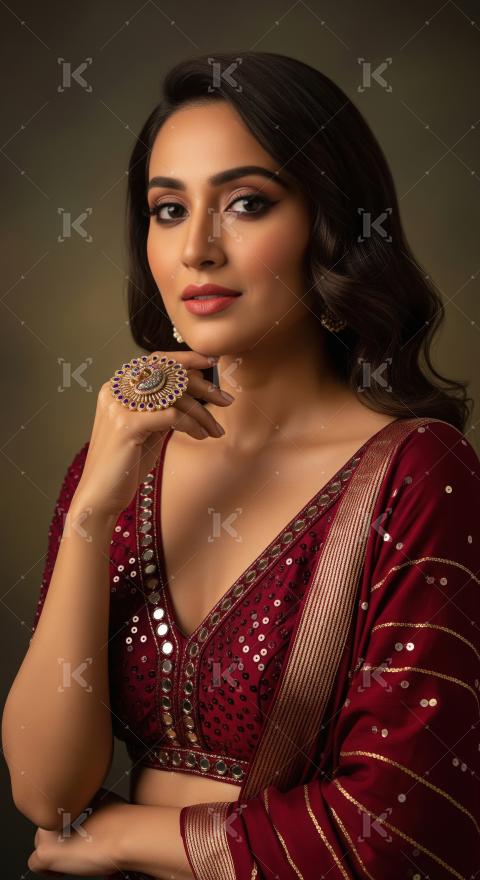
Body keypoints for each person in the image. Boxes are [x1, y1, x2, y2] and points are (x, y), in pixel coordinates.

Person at [4, 51, 479, 879]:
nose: (197, 249)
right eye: (166, 209)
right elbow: (48, 796)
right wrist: (89, 516)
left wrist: (123, 838)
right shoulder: (120, 466)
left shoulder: (417, 475)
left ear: (332, 222)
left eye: (247, 204)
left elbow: (399, 826)